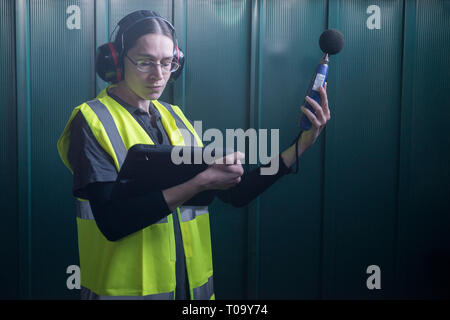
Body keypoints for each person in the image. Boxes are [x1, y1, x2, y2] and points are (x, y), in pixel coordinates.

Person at [57, 10, 330, 300]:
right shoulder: (92, 121)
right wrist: (198, 183)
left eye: (167, 63)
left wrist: (301, 145)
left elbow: (236, 195)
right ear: (115, 61)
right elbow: (113, 223)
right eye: (145, 62)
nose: (159, 75)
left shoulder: (175, 118)